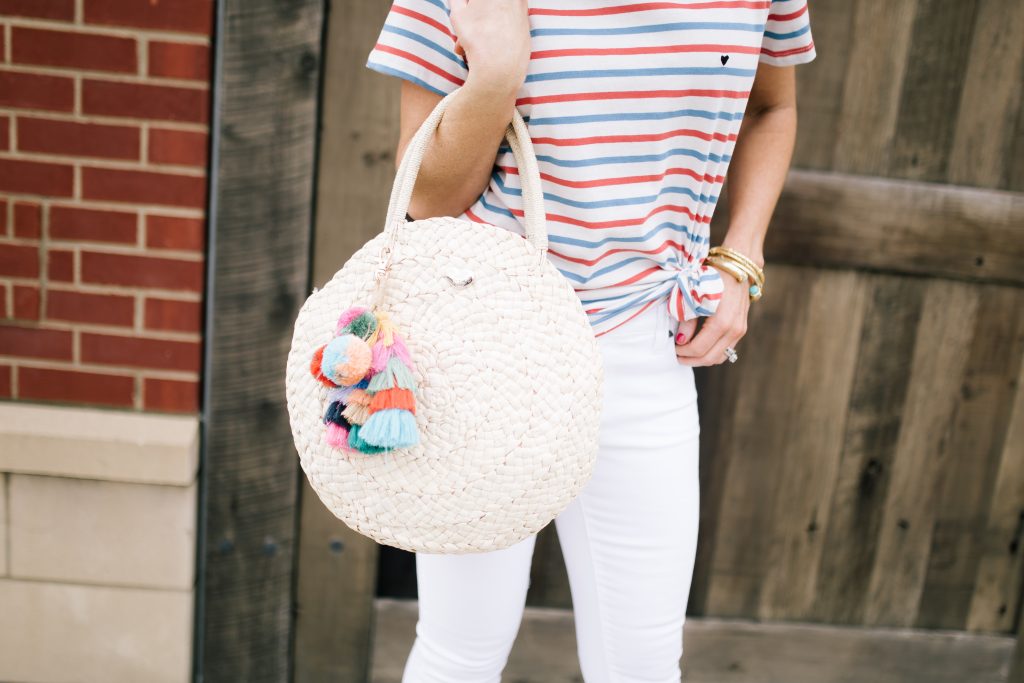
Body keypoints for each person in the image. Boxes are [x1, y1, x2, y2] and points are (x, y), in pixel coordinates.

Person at [365, 0, 815, 680]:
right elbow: (426, 198)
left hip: (644, 344)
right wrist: (494, 81)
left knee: (641, 665)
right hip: (490, 342)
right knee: (461, 648)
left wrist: (740, 254)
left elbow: (770, 107)